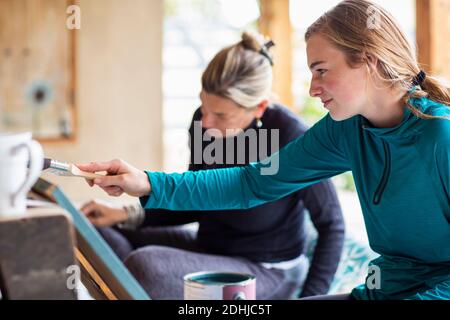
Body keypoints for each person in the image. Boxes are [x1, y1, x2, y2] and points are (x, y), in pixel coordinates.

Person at [79, 0, 450, 300]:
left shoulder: (441, 136)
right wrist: (145, 183)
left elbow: (331, 225)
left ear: (368, 60)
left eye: (320, 70)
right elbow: (250, 183)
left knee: (146, 265)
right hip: (385, 288)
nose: (312, 88)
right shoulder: (345, 131)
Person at [80, 32, 345, 300]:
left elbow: (332, 225)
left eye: (220, 115)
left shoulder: (292, 137)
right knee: (94, 232)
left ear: (259, 107)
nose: (206, 122)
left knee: (146, 267)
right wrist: (123, 214)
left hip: (265, 269)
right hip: (208, 248)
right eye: (203, 106)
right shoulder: (204, 123)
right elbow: (194, 198)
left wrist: (311, 299)